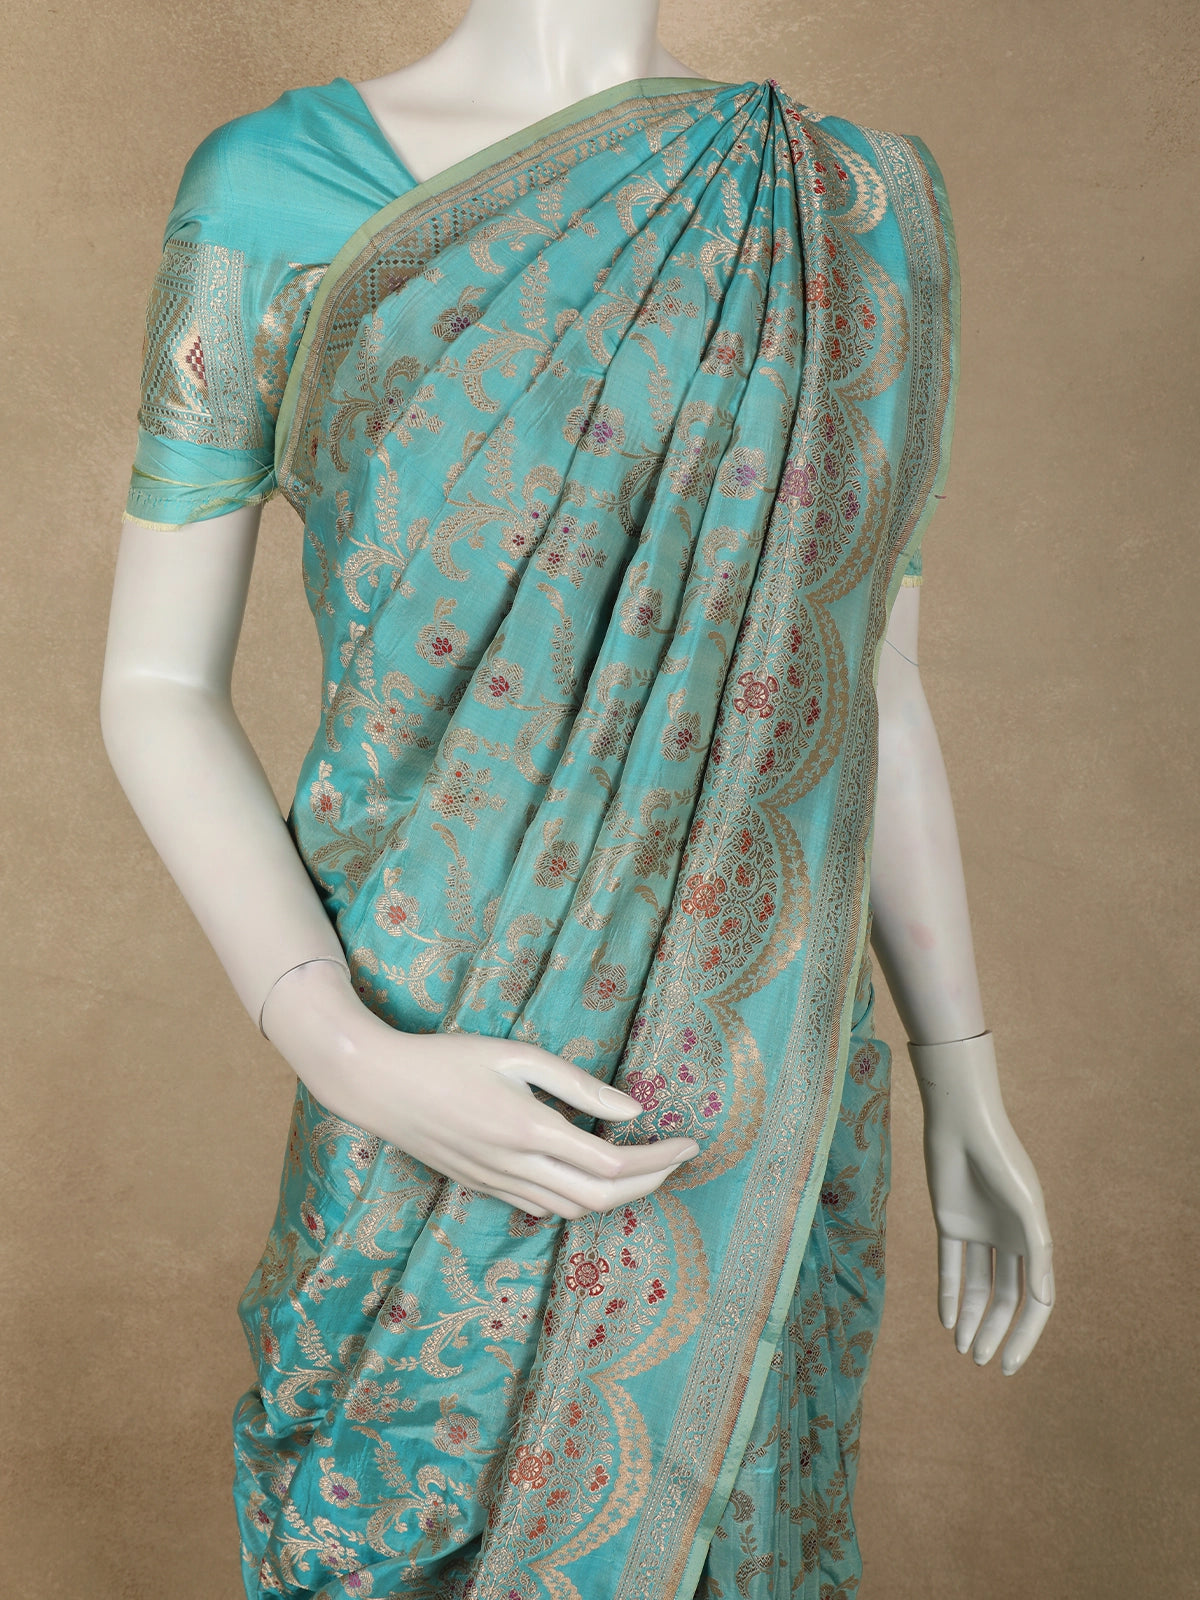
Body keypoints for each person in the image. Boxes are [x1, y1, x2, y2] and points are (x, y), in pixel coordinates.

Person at [100, 3, 1054, 1596]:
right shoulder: (275, 189)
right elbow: (155, 687)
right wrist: (346, 1050)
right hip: (424, 1061)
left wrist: (966, 1076)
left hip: (738, 1089)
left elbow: (865, 683)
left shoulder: (847, 215)